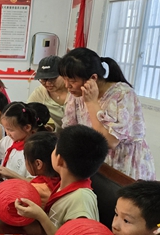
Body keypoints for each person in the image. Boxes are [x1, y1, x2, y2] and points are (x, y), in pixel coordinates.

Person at [59, 47, 155, 180]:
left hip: (123, 163)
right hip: (93, 161)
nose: (67, 85)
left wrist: (91, 102)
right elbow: (70, 129)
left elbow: (110, 141)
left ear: (93, 78)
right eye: (64, 79)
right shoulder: (77, 94)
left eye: (72, 81)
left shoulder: (123, 94)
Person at [14, 125, 108, 235]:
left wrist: (40, 216)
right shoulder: (64, 185)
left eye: (55, 149)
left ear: (60, 160)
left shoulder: (81, 200)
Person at [0, 102, 38, 178]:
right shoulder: (9, 140)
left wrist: (9, 174)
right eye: (5, 129)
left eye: (10, 130)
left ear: (27, 127)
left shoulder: (34, 150)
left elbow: (33, 182)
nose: (7, 133)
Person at [27, 56, 68, 132]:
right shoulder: (40, 93)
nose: (48, 83)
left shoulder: (76, 91)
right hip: (60, 135)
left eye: (52, 78)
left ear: (64, 74)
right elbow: (26, 113)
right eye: (43, 80)